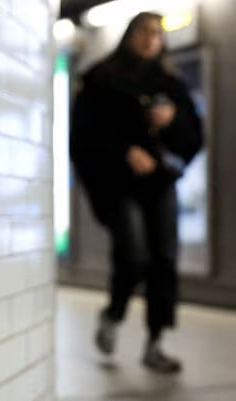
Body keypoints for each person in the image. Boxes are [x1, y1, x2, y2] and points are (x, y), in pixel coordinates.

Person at [70, 12, 204, 374]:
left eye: (157, 34)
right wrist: (124, 151)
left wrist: (172, 121)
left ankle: (155, 343)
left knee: (163, 259)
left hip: (159, 184)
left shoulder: (171, 85)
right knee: (132, 254)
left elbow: (194, 137)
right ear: (130, 35)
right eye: (144, 31)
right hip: (117, 184)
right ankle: (114, 313)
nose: (150, 39)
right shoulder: (101, 79)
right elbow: (83, 134)